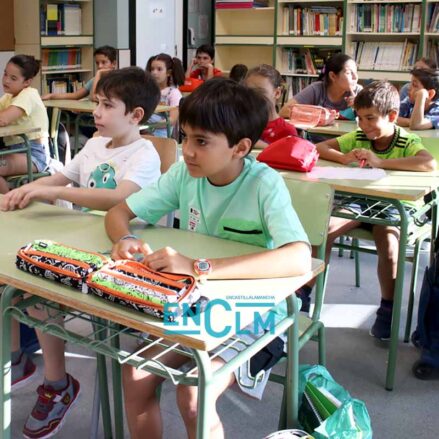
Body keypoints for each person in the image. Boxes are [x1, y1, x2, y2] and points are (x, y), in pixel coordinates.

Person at [105, 77, 311, 439]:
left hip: (257, 310)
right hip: (198, 305)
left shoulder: (264, 184)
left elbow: (299, 258)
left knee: (194, 393)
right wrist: (123, 238)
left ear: (240, 147)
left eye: (201, 141)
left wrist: (200, 267)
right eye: (184, 137)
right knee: (136, 373)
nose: (187, 151)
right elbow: (118, 212)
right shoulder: (185, 174)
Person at [0, 66, 162, 439]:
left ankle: (55, 385)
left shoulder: (146, 154)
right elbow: (62, 178)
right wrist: (30, 189)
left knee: (41, 290)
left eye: (107, 105)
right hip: (81, 241)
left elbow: (118, 198)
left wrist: (49, 191)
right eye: (97, 102)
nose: (96, 112)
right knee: (24, 279)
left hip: (122, 253)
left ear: (135, 115)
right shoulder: (93, 145)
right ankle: (35, 369)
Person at [297, 80, 436, 340]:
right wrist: (344, 157)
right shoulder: (358, 136)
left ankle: (387, 308)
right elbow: (319, 148)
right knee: (323, 230)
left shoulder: (405, 139)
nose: (363, 125)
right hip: (359, 202)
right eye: (360, 118)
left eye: (370, 118)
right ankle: (304, 294)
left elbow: (427, 164)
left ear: (392, 116)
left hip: (390, 207)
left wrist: (381, 161)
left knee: (388, 244)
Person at [0, 54, 50, 194]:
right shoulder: (9, 96)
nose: (6, 80)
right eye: (5, 74)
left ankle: (8, 210)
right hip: (15, 151)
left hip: (34, 155)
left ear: (27, 82)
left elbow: (3, 119)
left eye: (13, 78)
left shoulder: (29, 94)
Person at [280, 53, 362, 121]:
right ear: (333, 76)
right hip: (315, 139)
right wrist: (317, 115)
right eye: (349, 73)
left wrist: (360, 108)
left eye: (356, 72)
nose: (355, 77)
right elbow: (284, 111)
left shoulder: (358, 92)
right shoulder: (317, 89)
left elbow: (372, 120)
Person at [245, 64, 298, 149]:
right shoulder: (242, 124)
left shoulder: (287, 131)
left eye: (260, 91)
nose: (253, 97)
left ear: (277, 93)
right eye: (249, 91)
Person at [42, 45, 117, 101]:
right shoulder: (94, 80)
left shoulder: (118, 80)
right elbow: (75, 95)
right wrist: (51, 96)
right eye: (97, 63)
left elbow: (93, 97)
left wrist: (98, 74)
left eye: (104, 62)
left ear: (113, 64)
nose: (100, 66)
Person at [145, 53, 185, 138]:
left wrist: (151, 126)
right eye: (152, 69)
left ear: (168, 73)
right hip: (146, 129)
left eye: (159, 69)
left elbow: (172, 120)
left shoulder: (173, 93)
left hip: (162, 134)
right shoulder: (149, 91)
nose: (154, 73)